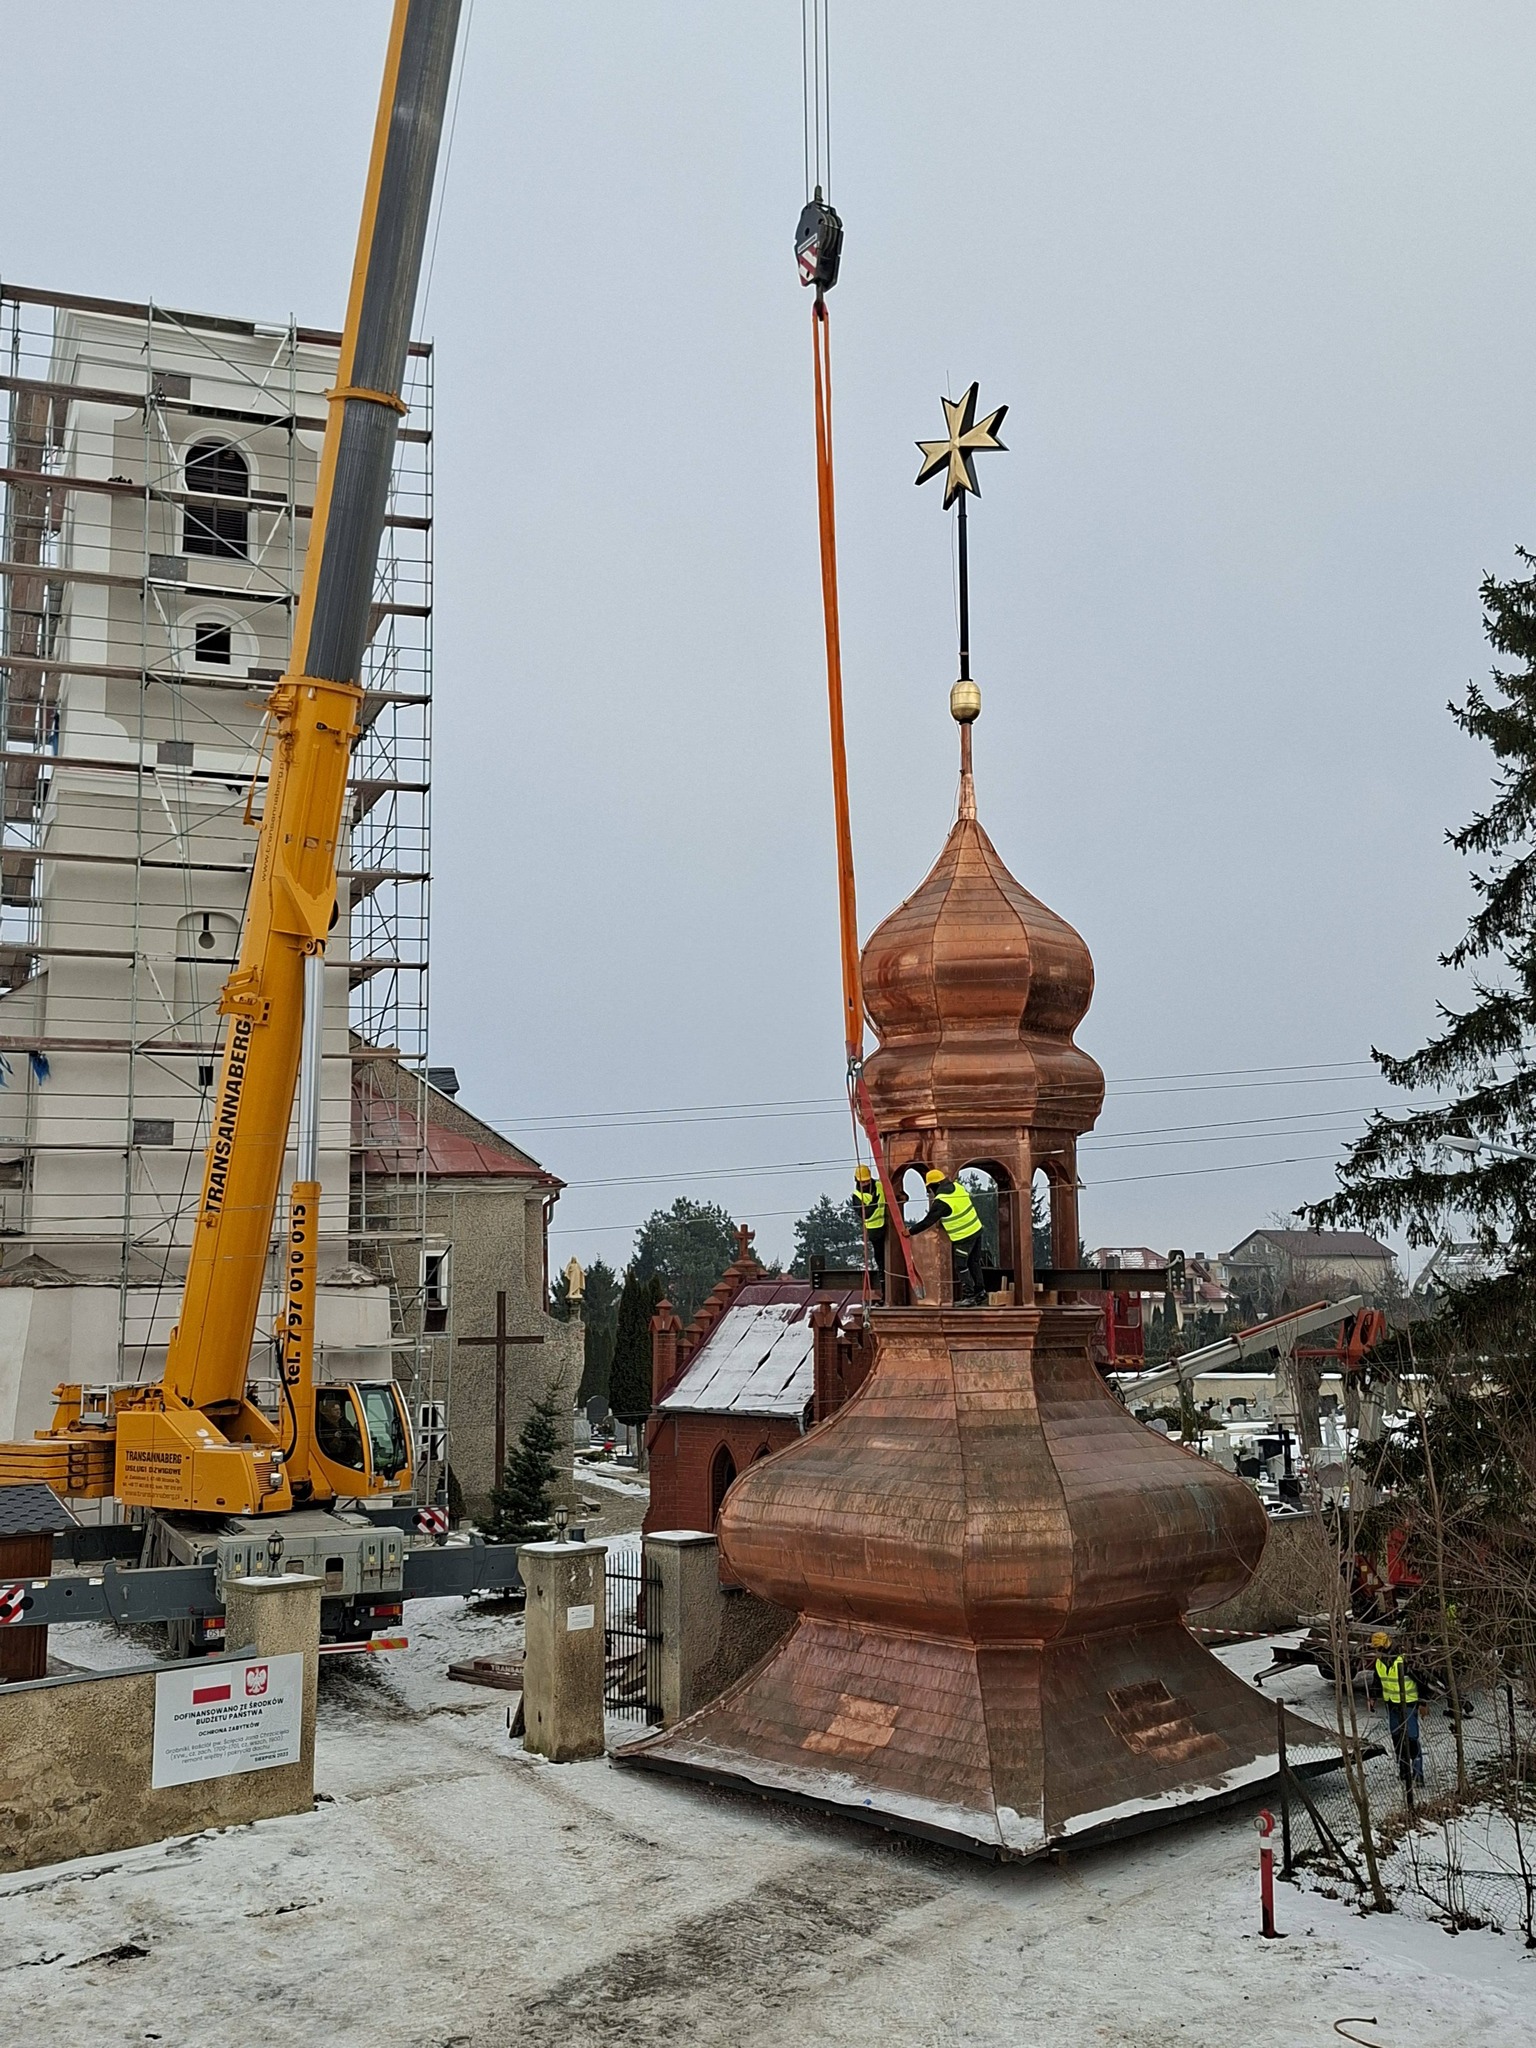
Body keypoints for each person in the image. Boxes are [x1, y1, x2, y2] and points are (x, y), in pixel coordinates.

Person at [910, 1168, 988, 1304]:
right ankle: (980, 1292)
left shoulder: (942, 1202)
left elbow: (928, 1221)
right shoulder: (958, 1187)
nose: (930, 1192)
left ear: (934, 1185)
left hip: (964, 1236)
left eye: (930, 1189)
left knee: (961, 1265)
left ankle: (969, 1296)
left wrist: (910, 1231)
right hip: (976, 1229)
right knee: (974, 1262)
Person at [1372, 1630, 1424, 1789]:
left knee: (1412, 1739)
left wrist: (1423, 1702)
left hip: (1408, 1703)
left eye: (1379, 1648)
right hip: (1392, 1704)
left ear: (1386, 1644)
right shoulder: (1380, 1662)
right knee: (1397, 1738)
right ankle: (1403, 1770)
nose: (1377, 1651)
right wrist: (1373, 1698)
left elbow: (1421, 1680)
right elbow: (1377, 1681)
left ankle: (1418, 1774)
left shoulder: (1403, 1660)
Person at [852, 1165, 887, 1296]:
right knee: (881, 1261)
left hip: (888, 1225)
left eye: (867, 1181)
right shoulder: (857, 1196)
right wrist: (875, 1203)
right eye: (863, 1182)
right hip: (875, 1230)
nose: (865, 1184)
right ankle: (885, 1292)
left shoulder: (879, 1185)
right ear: (857, 1181)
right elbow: (865, 1214)